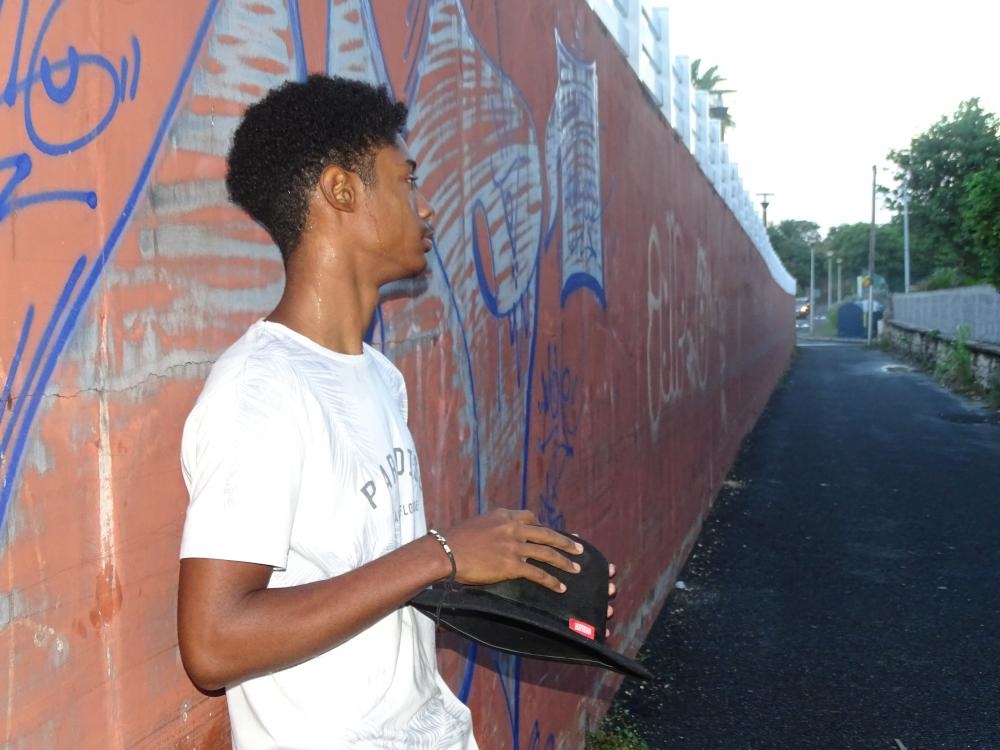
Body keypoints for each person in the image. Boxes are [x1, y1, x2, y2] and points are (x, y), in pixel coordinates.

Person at [176, 75, 612, 749]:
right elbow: (213, 643)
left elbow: (368, 577)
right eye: (407, 180)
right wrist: (442, 553)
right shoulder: (260, 389)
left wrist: (516, 582)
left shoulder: (378, 376)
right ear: (341, 190)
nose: (426, 206)